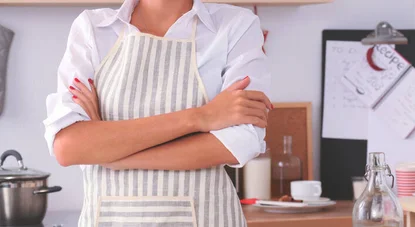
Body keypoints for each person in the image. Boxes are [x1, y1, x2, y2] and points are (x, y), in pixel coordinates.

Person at [43, 0, 271, 226]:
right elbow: (68, 146)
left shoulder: (235, 26)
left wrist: (113, 158)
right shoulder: (92, 28)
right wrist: (201, 117)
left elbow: (239, 143)